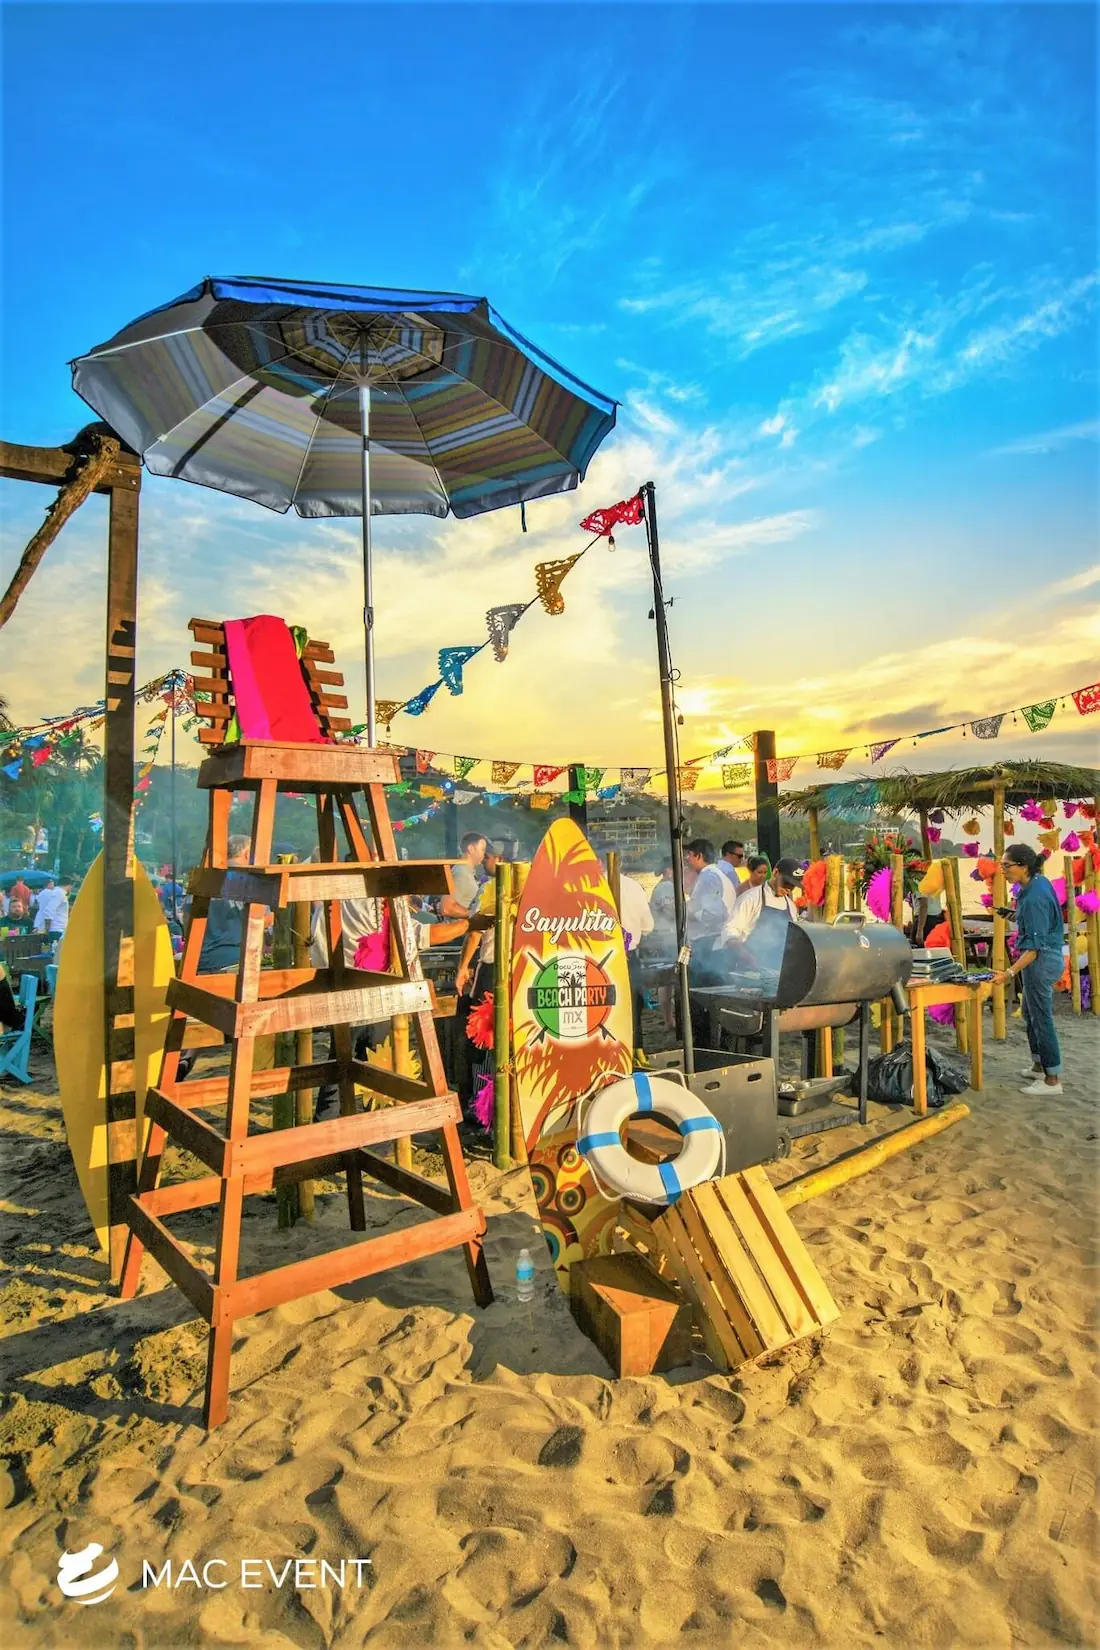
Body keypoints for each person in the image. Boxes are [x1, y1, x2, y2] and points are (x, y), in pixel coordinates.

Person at [992, 844, 1064, 1095]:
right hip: (1043, 957)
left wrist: (1008, 973)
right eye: (1001, 865)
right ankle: (1038, 1065)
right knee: (1030, 1014)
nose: (1002, 870)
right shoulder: (1038, 882)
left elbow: (1034, 948)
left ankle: (1052, 1080)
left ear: (1023, 866)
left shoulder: (1034, 898)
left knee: (1041, 1018)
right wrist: (1013, 915)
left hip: (1042, 961)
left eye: (1006, 866)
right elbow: (1039, 921)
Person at [723, 857, 803, 944]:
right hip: (750, 951)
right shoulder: (750, 899)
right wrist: (739, 948)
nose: (788, 889)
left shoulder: (791, 906)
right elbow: (730, 930)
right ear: (775, 873)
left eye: (793, 885)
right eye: (786, 883)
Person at [439, 832, 487, 918]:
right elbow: (446, 908)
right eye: (482, 850)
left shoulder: (465, 871)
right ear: (471, 848)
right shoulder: (462, 873)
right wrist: (475, 914)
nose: (484, 855)